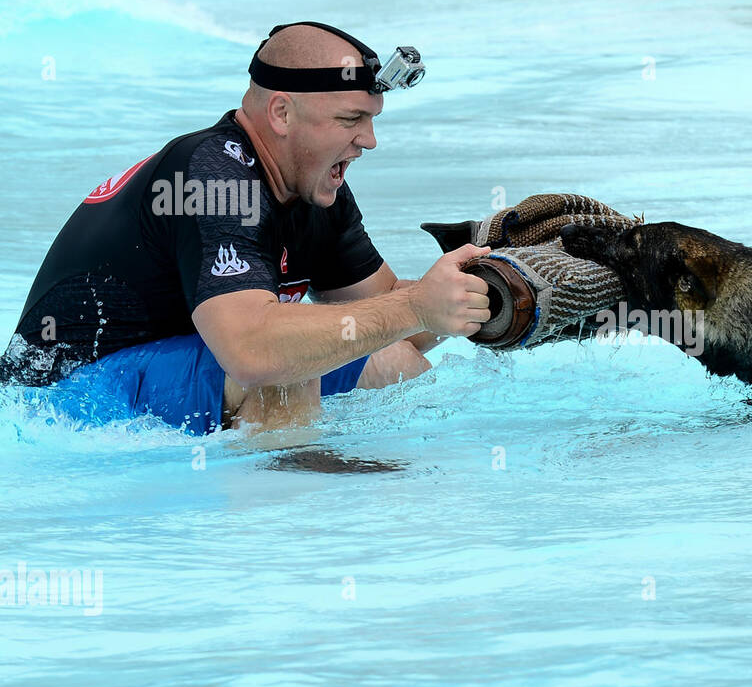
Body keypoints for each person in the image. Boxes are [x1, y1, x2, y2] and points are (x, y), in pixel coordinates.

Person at [1, 21, 491, 433]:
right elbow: (254, 352)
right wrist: (413, 305)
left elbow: (388, 323)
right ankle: (278, 527)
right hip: (62, 396)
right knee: (285, 366)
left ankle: (342, 499)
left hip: (177, 370)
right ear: (281, 112)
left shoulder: (317, 188)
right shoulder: (213, 175)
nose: (369, 140)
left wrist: (488, 287)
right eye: (350, 119)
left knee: (394, 362)